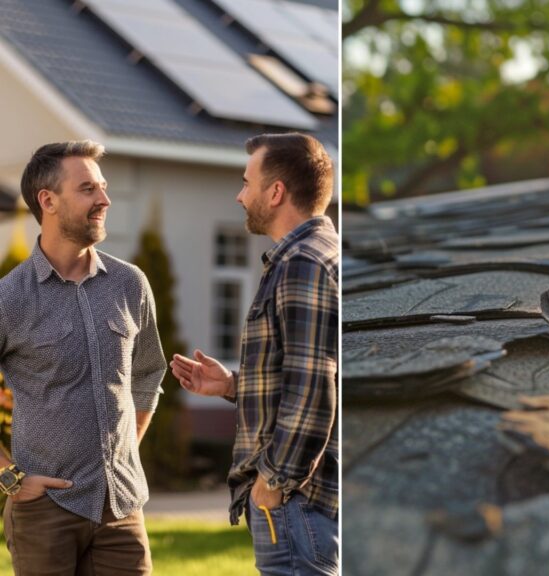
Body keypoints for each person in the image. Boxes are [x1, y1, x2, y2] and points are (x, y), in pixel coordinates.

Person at [169, 133, 338, 575]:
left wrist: (273, 483)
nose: (240, 195)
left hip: (297, 502)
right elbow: (307, 374)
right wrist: (230, 385)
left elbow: (314, 390)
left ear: (276, 192)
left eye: (247, 183)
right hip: (300, 501)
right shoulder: (310, 257)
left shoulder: (303, 263)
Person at [0, 140, 166, 575]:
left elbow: (148, 373)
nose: (105, 200)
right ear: (48, 200)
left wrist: (124, 454)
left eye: (104, 187)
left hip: (122, 508)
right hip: (45, 510)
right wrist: (10, 478)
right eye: (89, 189)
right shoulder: (10, 298)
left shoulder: (131, 284)